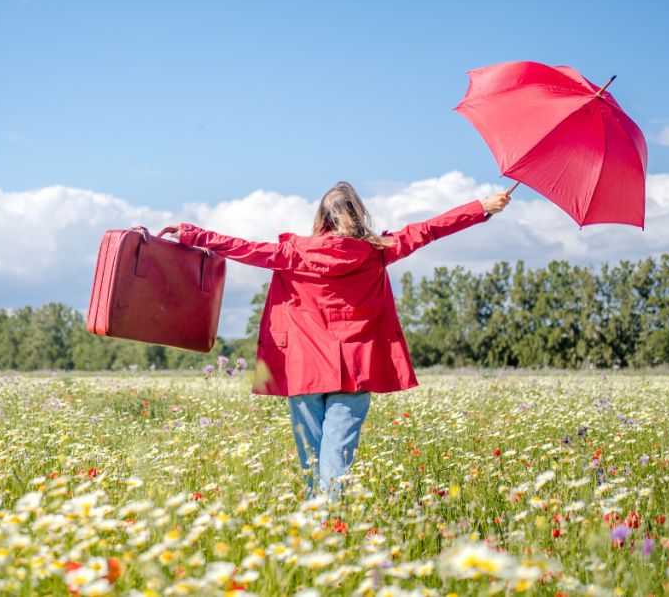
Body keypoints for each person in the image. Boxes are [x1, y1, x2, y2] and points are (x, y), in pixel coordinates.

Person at [161, 181, 510, 499]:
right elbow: (430, 229)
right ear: (358, 216)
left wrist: (191, 233)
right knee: (336, 458)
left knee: (313, 459)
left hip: (304, 370)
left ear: (321, 218)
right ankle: (331, 525)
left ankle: (321, 529)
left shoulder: (293, 253)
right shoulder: (379, 251)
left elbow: (241, 248)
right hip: (355, 369)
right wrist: (481, 206)